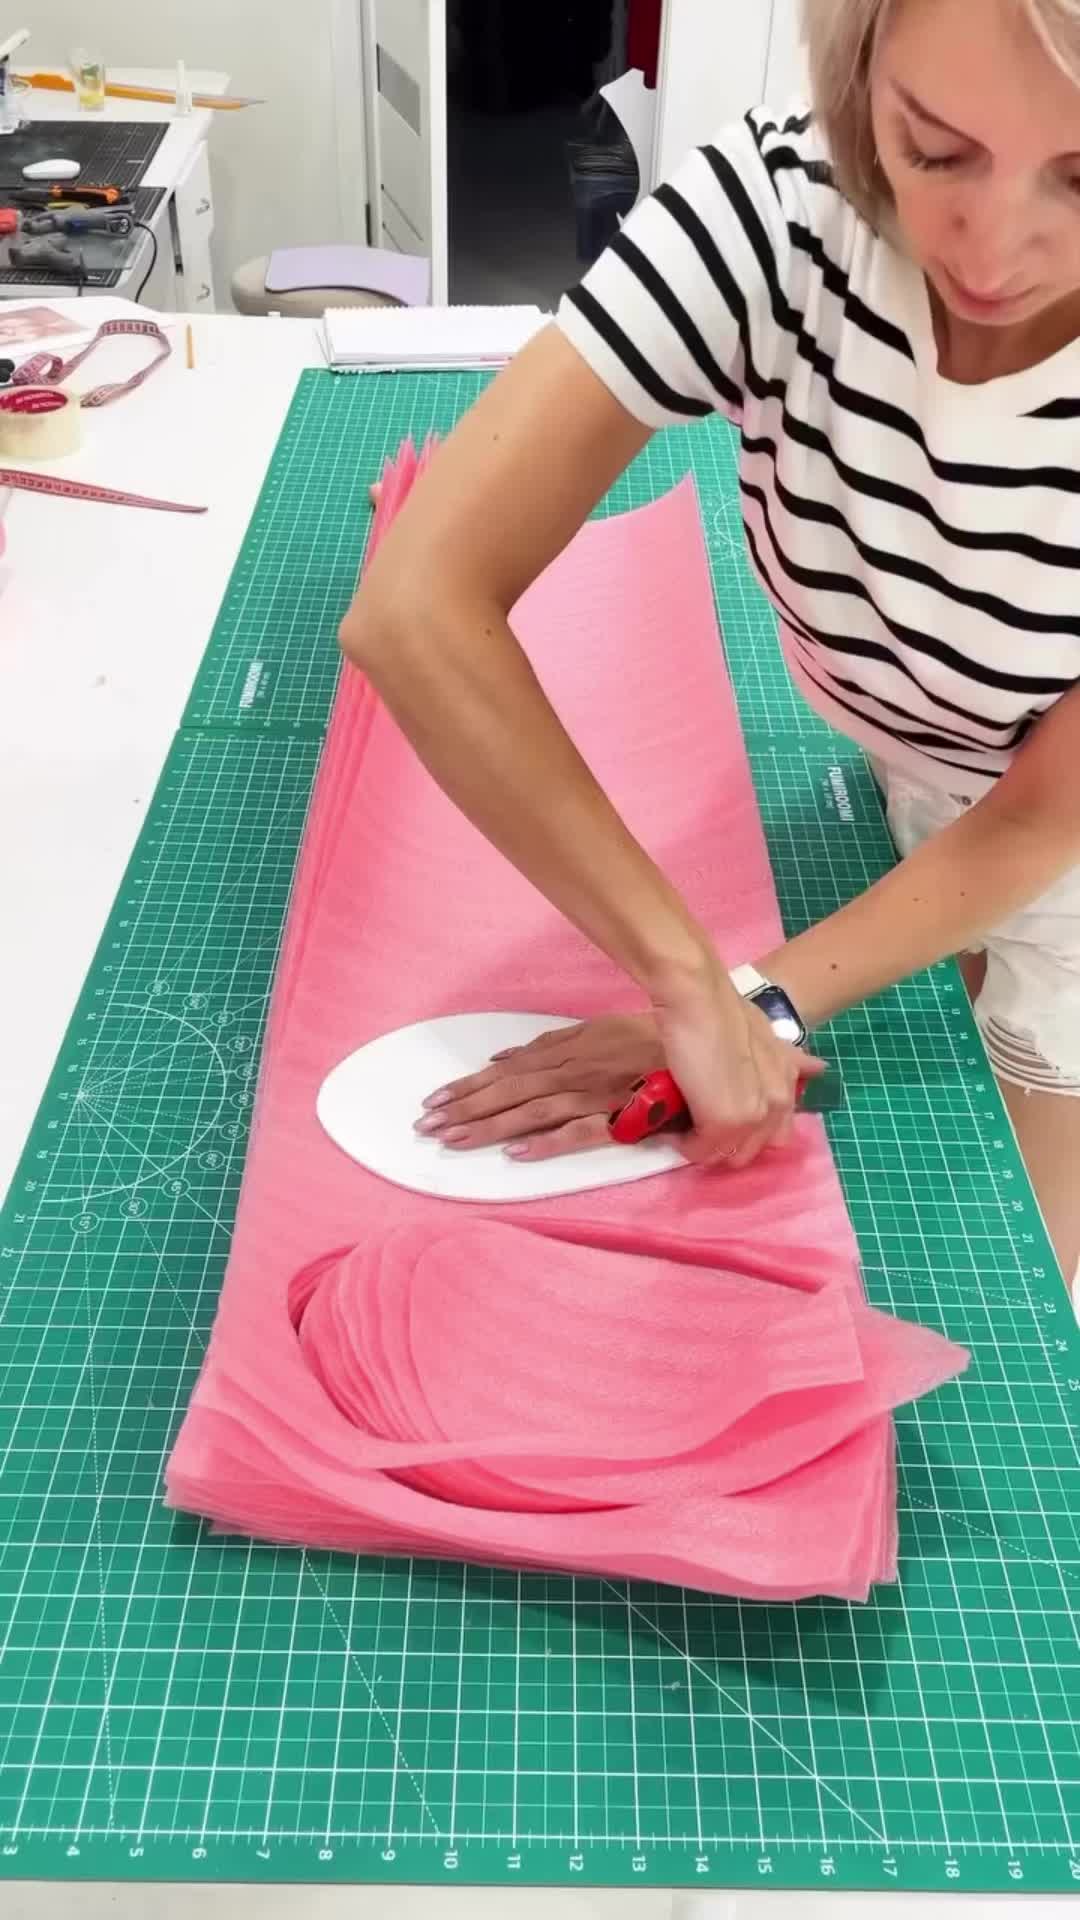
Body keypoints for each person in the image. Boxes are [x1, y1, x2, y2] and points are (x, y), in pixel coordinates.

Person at [341, 0, 1080, 1291]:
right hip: (929, 757)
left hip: (1058, 842)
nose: (992, 247)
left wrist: (761, 1002)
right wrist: (683, 975)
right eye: (935, 149)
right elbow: (417, 601)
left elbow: (1036, 827)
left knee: (1015, 1263)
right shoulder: (788, 203)